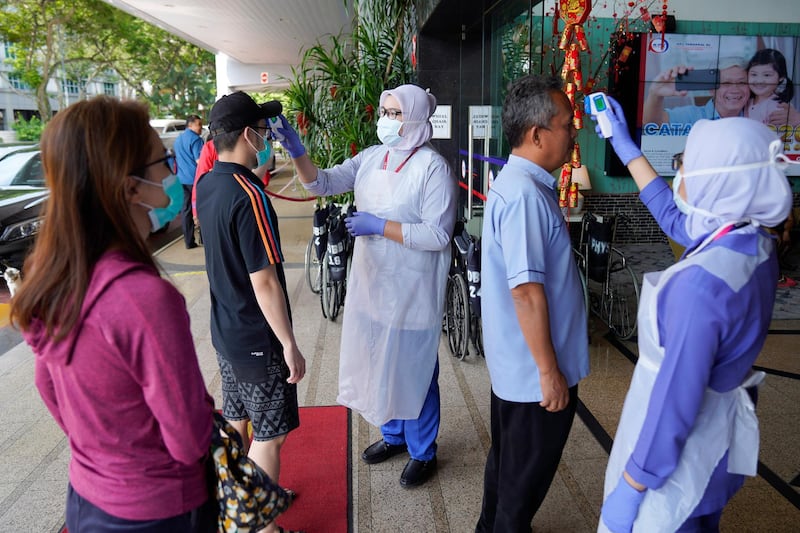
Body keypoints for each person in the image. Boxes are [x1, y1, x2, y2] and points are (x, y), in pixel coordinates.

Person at [10, 97, 216, 532]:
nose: (173, 173)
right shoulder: (144, 299)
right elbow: (187, 438)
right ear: (130, 187)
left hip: (87, 499)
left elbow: (46, 384)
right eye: (162, 161)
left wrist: (105, 448)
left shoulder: (53, 278)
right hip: (161, 510)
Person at [593, 96, 793, 532]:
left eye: (687, 164)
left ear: (717, 184)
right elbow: (675, 218)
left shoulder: (702, 288)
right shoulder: (752, 241)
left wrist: (632, 485)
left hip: (673, 471)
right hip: (715, 443)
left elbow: (673, 403)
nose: (679, 172)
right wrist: (625, 147)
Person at [276, 83, 457, 488]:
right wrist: (296, 150)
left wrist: (379, 226)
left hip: (413, 291)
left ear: (414, 117)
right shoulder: (373, 157)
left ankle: (423, 450)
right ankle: (393, 436)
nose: (386, 120)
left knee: (415, 371)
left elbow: (437, 235)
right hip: (374, 286)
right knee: (380, 362)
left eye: (394, 113)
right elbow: (322, 183)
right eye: (384, 111)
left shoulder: (432, 168)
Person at [474, 74, 590, 532]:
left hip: (521, 374)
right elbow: (525, 291)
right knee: (520, 487)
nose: (573, 132)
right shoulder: (524, 196)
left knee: (508, 470)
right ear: (537, 134)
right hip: (534, 381)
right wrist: (549, 373)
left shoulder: (525, 186)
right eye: (566, 124)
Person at [195, 91, 305, 533]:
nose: (267, 137)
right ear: (247, 134)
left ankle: (236, 504)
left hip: (225, 330)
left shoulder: (207, 184)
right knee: (271, 434)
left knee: (239, 421)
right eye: (263, 129)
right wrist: (289, 344)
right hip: (257, 339)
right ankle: (259, 526)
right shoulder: (251, 196)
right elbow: (265, 280)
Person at [642, 57, 749, 126]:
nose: (735, 89)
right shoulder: (691, 115)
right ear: (711, 89)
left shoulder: (758, 115)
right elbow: (652, 123)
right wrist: (655, 94)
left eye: (742, 83)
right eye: (726, 83)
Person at [745, 48, 800, 127]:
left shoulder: (778, 107)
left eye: (767, 75)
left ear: (781, 77)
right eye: (754, 74)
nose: (759, 80)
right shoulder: (747, 100)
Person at [173, 114, 204, 248]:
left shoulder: (178, 139)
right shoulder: (196, 140)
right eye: (199, 125)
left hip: (181, 179)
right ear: (190, 125)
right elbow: (200, 161)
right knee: (202, 208)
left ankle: (189, 241)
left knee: (186, 210)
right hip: (195, 180)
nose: (201, 128)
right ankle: (203, 238)